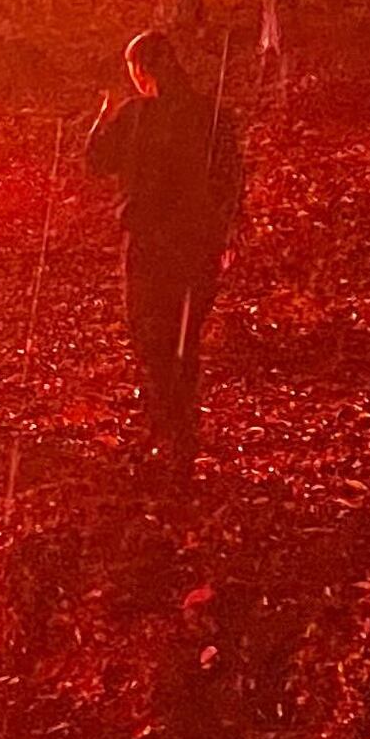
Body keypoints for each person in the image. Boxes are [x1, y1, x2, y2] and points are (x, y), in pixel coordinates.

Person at [84, 28, 241, 469]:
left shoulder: (138, 116)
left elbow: (96, 161)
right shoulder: (208, 115)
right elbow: (230, 180)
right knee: (180, 340)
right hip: (192, 245)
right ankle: (177, 431)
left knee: (152, 336)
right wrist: (223, 231)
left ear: (142, 70)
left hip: (157, 245)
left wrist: (102, 118)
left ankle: (170, 430)